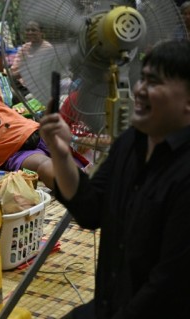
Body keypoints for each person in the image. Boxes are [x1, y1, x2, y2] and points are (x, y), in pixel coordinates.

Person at [39, 39, 190, 318]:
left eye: (154, 82)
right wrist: (60, 153)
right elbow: (90, 210)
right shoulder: (131, 142)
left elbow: (167, 287)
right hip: (109, 305)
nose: (140, 90)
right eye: (142, 79)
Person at [0, 85, 87, 189]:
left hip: (33, 133)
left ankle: (85, 187)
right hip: (13, 155)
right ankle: (77, 194)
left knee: (71, 161)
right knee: (43, 165)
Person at [10, 21, 52, 91]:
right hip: (22, 85)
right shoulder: (24, 48)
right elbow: (13, 72)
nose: (30, 32)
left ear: (41, 32)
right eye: (27, 30)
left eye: (33, 30)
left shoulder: (47, 49)